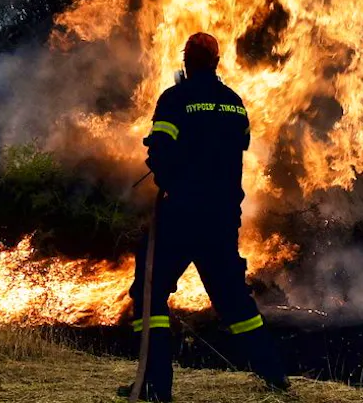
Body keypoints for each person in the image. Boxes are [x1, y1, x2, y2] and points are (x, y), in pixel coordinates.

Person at [117, 33, 289, 402]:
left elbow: (160, 152)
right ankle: (274, 376)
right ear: (215, 62)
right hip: (222, 219)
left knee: (149, 292)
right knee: (234, 301)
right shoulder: (234, 103)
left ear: (186, 61)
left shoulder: (175, 98)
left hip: (180, 216)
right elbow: (235, 148)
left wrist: (168, 176)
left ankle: (154, 385)